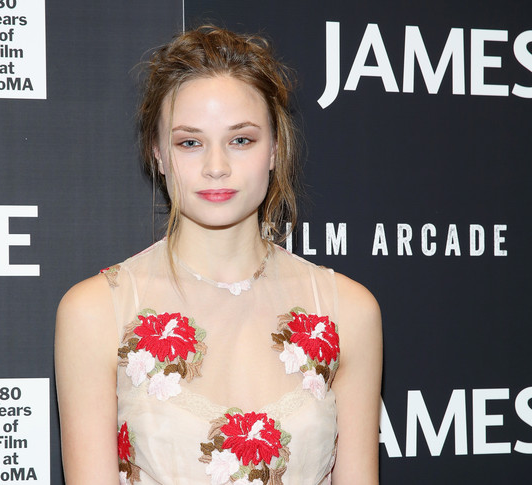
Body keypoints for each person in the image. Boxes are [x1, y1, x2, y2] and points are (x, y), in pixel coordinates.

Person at [55, 25, 382, 485]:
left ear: (275, 149)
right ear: (158, 154)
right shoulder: (95, 313)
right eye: (190, 142)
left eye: (241, 140)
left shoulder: (347, 311)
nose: (216, 167)